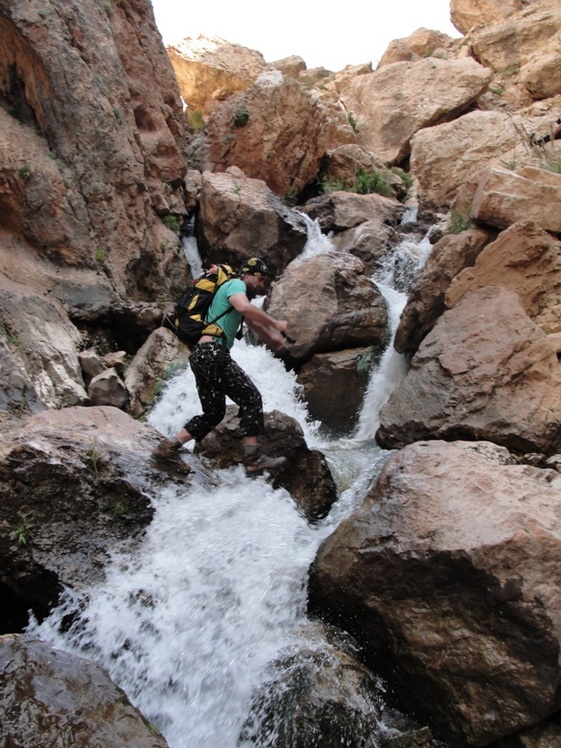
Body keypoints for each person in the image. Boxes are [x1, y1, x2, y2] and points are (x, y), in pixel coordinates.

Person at [152, 257, 290, 474]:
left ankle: (167, 448)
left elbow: (250, 319)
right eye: (260, 279)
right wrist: (275, 323)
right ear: (247, 275)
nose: (262, 284)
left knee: (213, 414)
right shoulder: (236, 284)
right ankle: (252, 459)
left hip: (200, 356)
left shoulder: (233, 292)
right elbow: (244, 307)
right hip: (213, 352)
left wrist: (272, 338)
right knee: (251, 397)